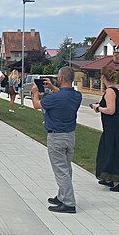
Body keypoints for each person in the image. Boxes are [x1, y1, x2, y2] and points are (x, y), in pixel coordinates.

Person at [32, 66, 82, 214]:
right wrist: (53, 87)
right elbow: (64, 95)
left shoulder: (53, 98)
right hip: (69, 135)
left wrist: (35, 93)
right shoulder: (77, 96)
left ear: (60, 78)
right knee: (66, 167)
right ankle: (62, 195)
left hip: (56, 136)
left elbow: (36, 105)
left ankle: (69, 202)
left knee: (61, 170)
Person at [90, 65, 119, 192]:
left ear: (103, 76)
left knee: (116, 154)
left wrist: (97, 108)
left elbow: (111, 110)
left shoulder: (110, 91)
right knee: (110, 153)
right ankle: (108, 178)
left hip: (113, 128)